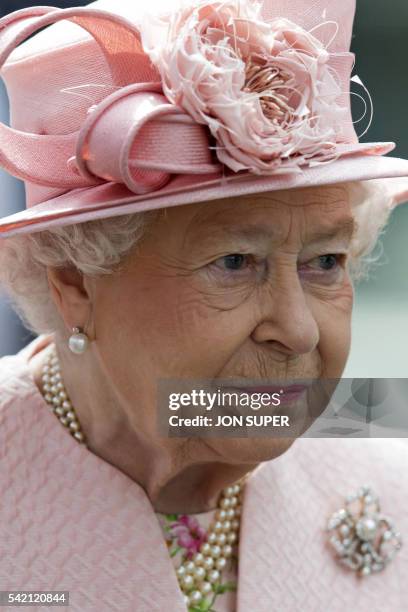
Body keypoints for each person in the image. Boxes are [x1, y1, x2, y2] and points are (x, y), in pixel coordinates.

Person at [0, 0, 407, 610]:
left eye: (325, 262)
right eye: (235, 263)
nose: (297, 332)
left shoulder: (390, 473)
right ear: (76, 283)